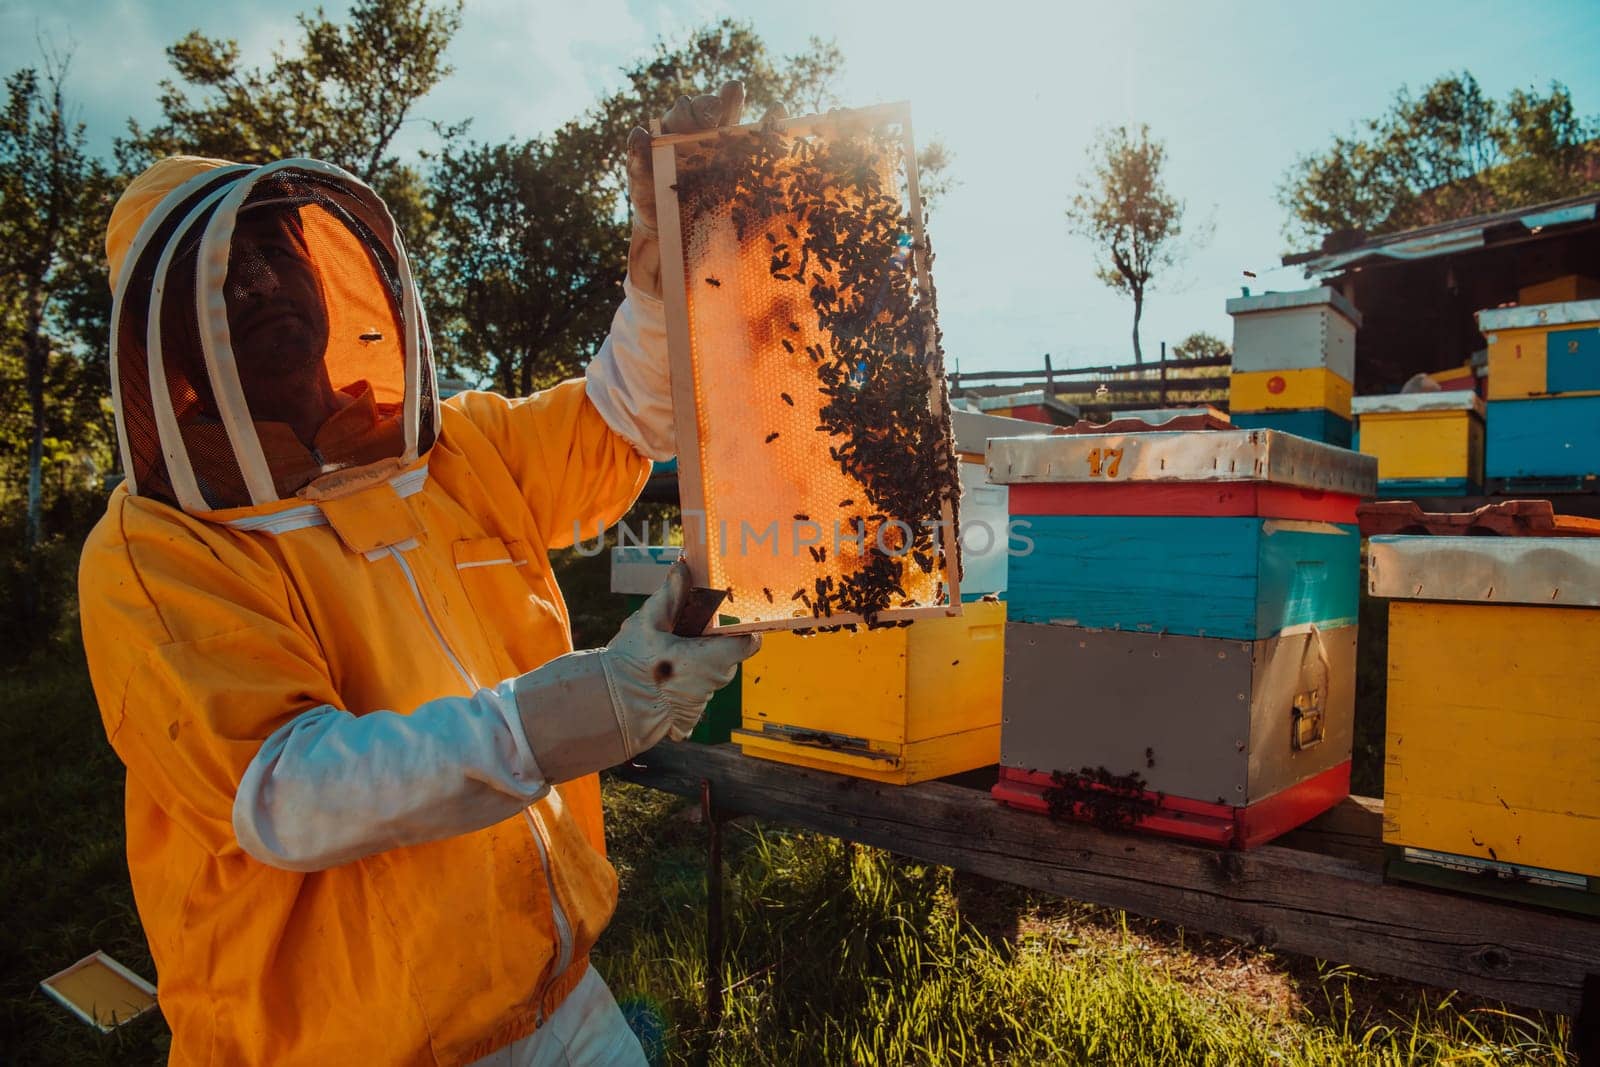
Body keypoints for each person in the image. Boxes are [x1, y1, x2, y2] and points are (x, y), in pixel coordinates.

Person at [78, 84, 756, 1066]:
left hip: (561, 994)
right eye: (220, 274)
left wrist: (656, 289)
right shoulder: (157, 551)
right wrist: (590, 704)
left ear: (329, 269)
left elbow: (618, 419)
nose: (259, 280)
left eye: (274, 248)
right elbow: (291, 790)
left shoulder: (452, 452)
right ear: (164, 336)